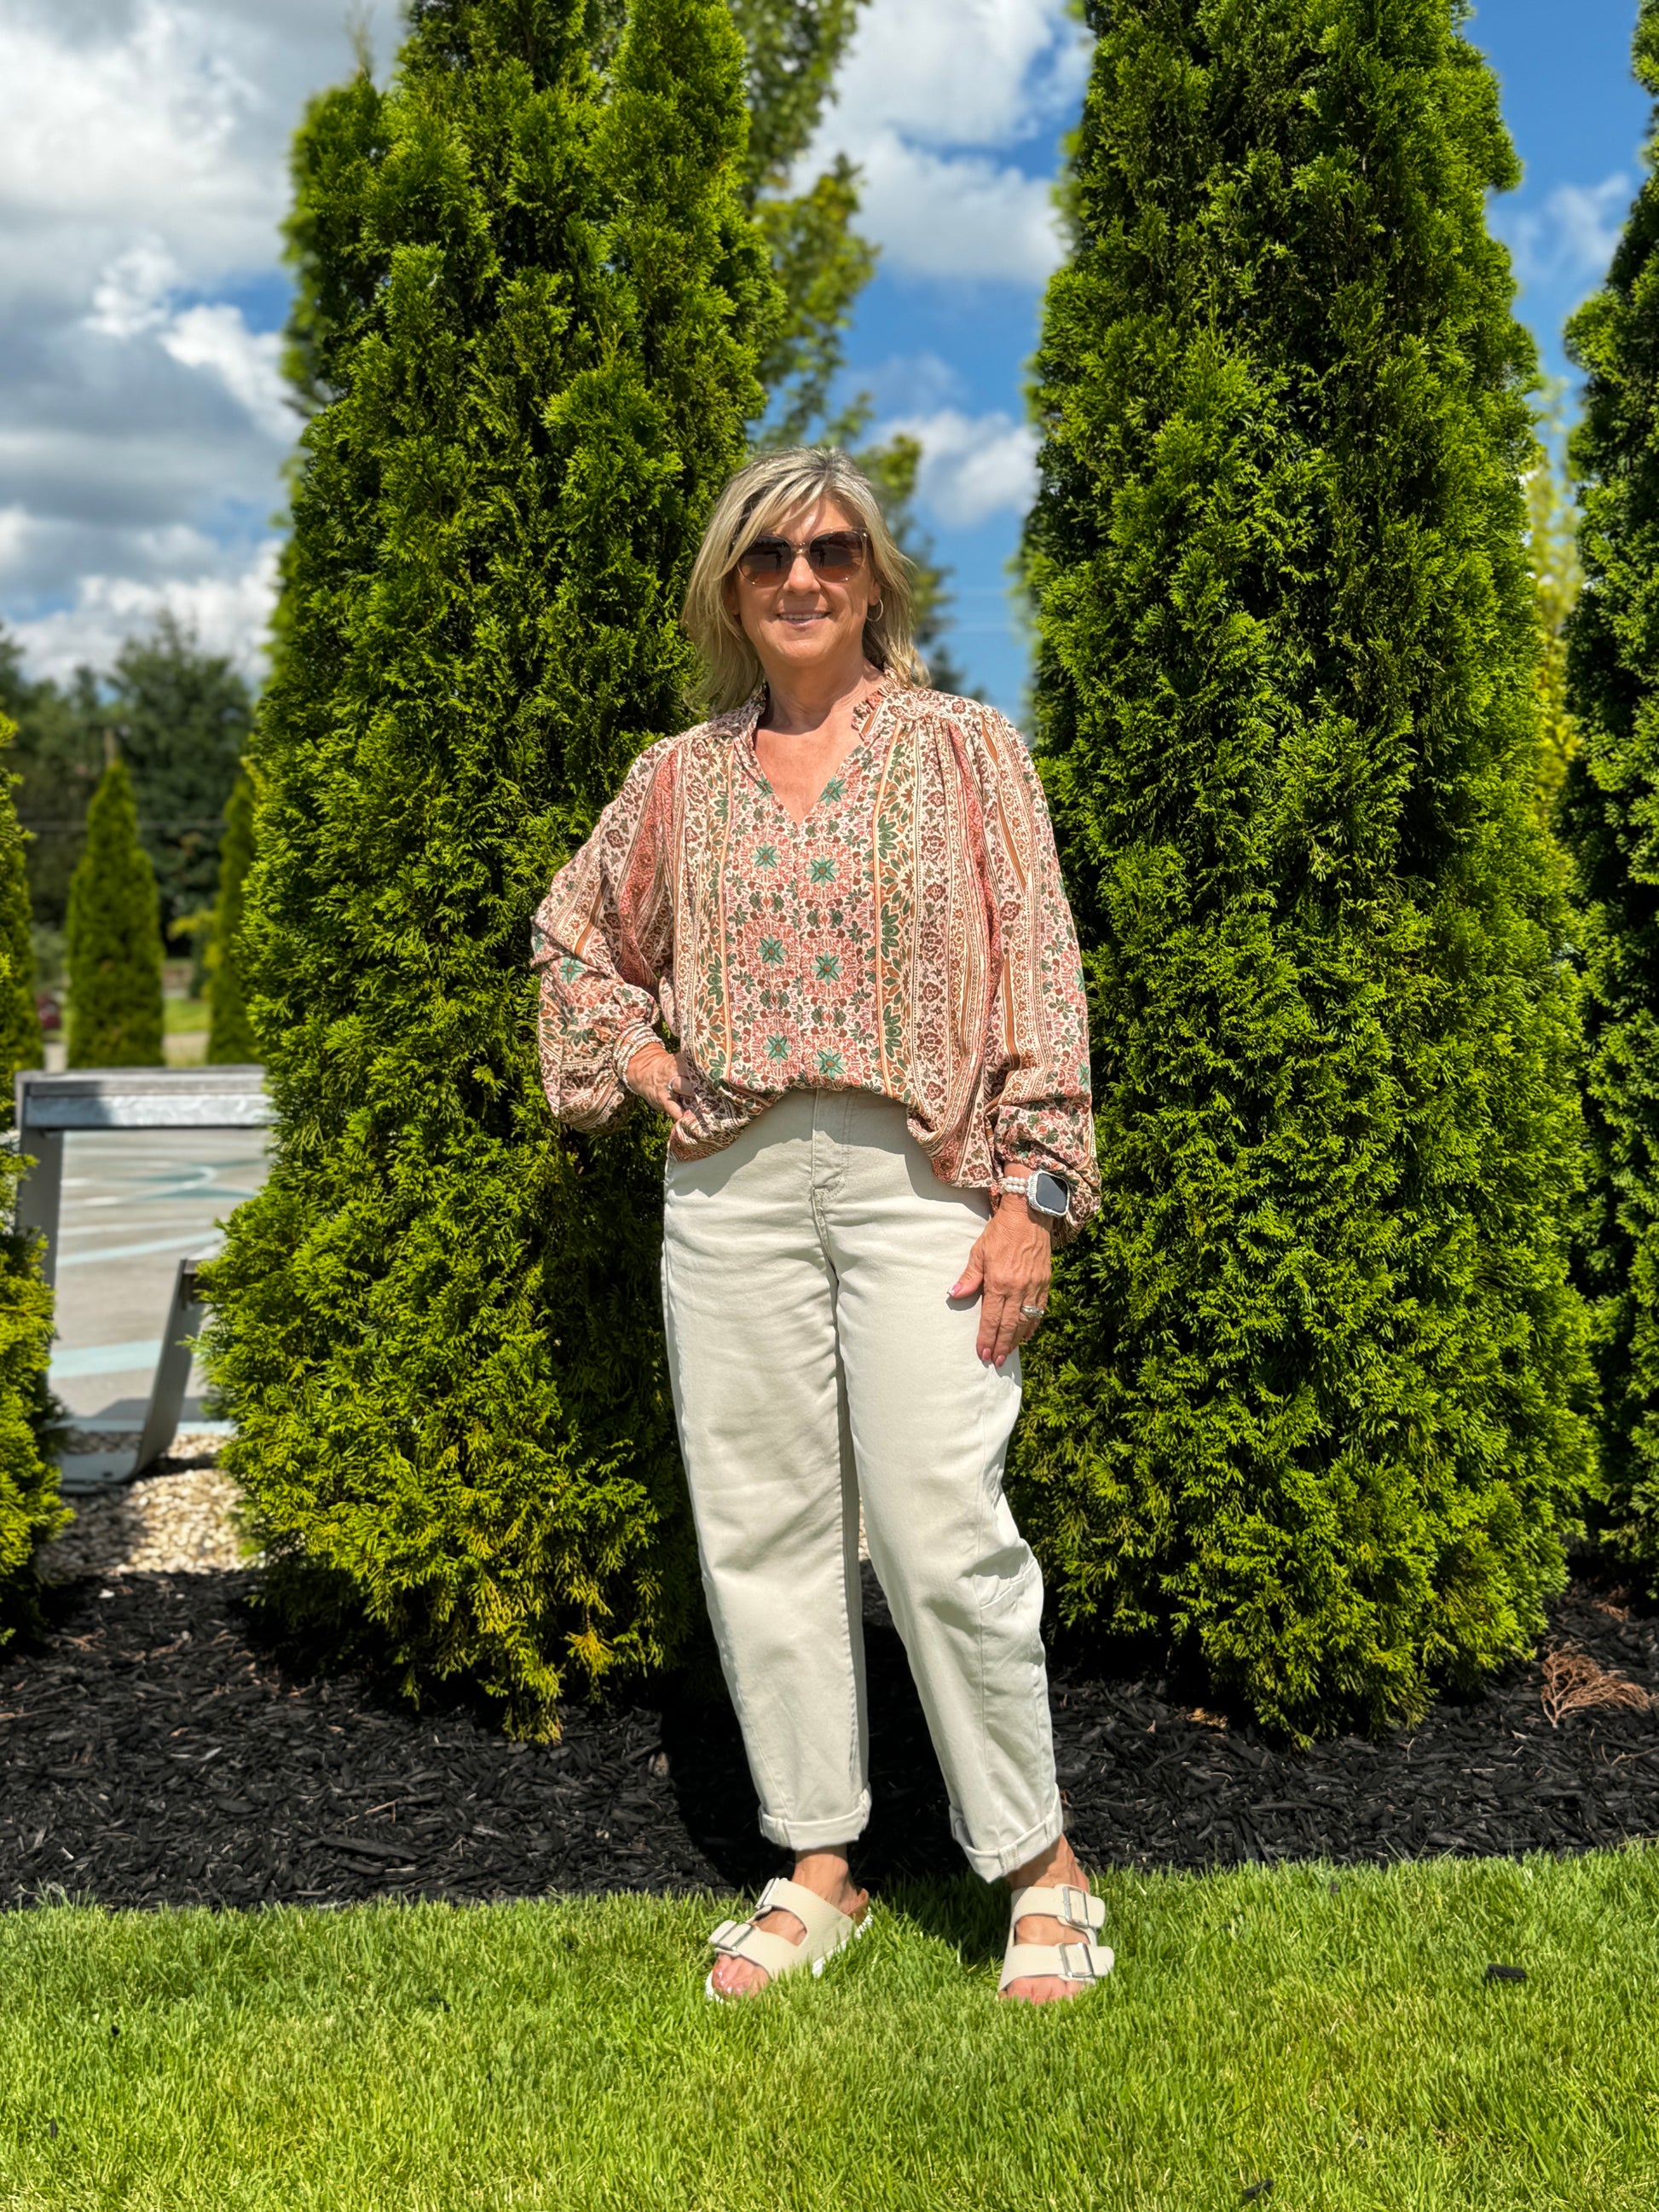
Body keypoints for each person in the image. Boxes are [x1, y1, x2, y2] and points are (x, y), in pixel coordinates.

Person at [532, 446, 1109, 2005]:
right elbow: (572, 942)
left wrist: (1031, 1195)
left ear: (874, 580)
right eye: (770, 555)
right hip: (728, 1190)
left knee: (941, 1529)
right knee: (763, 1530)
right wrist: (644, 1063)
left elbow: (1041, 972)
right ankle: (817, 1866)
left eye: (833, 552)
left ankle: (1039, 1865)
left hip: (921, 1179)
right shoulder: (675, 779)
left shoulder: (965, 752)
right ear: (730, 587)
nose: (801, 578)